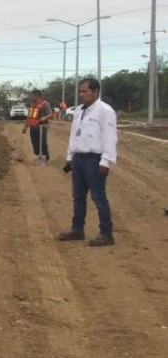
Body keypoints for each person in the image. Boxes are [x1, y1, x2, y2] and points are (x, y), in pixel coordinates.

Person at [59, 78, 118, 247]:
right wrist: (70, 156)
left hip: (94, 160)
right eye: (80, 91)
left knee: (98, 197)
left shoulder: (105, 111)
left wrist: (106, 161)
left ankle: (106, 233)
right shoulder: (78, 110)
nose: (81, 94)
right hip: (78, 159)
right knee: (78, 197)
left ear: (96, 91)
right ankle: (77, 230)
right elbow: (74, 134)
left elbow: (110, 137)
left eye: (85, 91)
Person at [22, 89, 53, 165]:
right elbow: (29, 116)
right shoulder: (32, 105)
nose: (31, 98)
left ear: (37, 96)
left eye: (32, 96)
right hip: (32, 127)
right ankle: (37, 158)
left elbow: (50, 114)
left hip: (41, 127)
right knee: (34, 143)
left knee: (43, 143)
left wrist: (44, 117)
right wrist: (25, 127)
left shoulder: (45, 104)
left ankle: (46, 159)